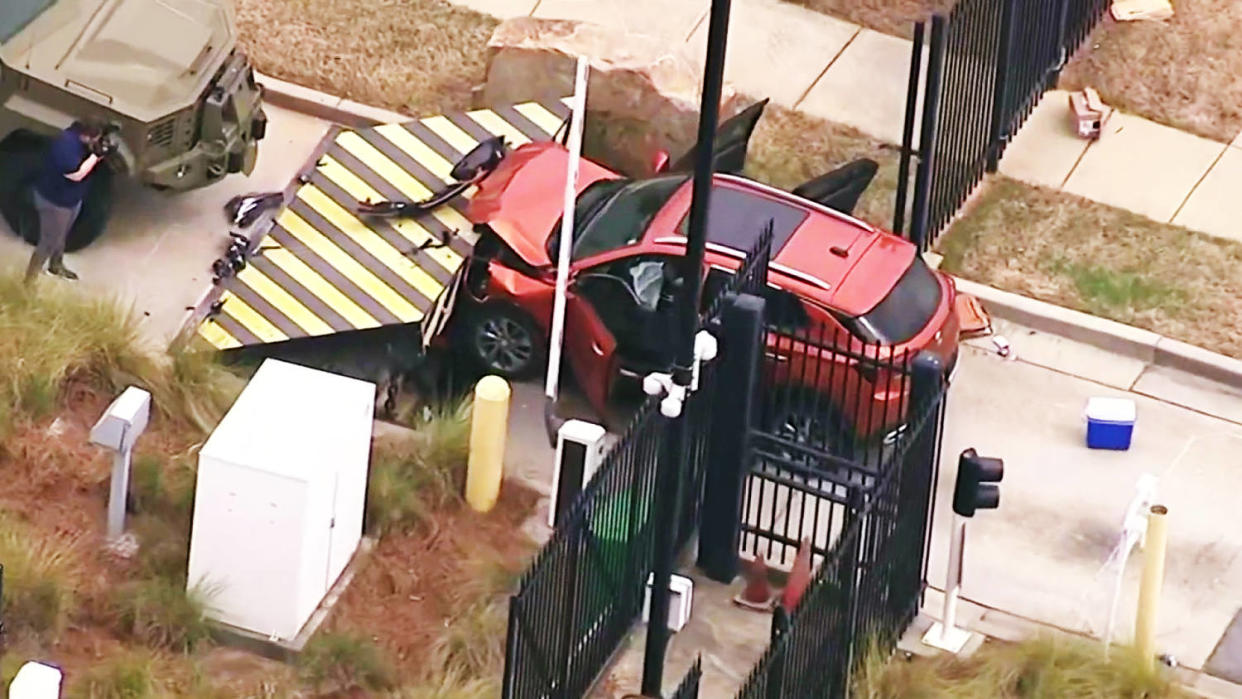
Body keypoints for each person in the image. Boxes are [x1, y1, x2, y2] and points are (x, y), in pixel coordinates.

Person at [24, 119, 110, 283]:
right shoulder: (65, 147)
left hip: (71, 199)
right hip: (54, 201)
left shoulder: (82, 139)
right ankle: (29, 281)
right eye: (94, 139)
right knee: (48, 242)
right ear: (85, 135)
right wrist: (96, 156)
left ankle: (55, 265)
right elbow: (76, 175)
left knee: (61, 235)